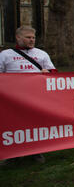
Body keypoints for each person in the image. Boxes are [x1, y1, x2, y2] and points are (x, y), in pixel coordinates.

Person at [0, 26, 57, 166]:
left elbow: (54, 73)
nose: (31, 40)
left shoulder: (42, 54)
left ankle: (35, 151)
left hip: (35, 97)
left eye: (33, 37)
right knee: (13, 125)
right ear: (18, 37)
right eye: (28, 37)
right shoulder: (5, 55)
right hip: (13, 98)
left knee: (34, 124)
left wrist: (47, 74)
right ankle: (13, 154)